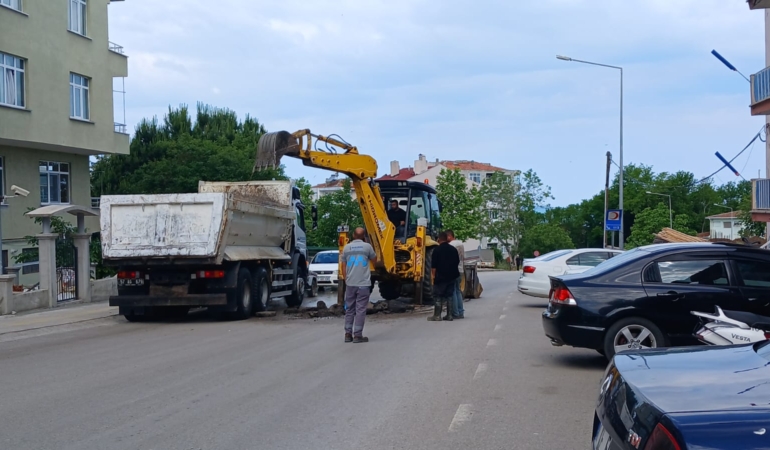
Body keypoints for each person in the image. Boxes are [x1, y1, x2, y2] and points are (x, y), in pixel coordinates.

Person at [341, 227, 377, 343]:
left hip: (350, 283)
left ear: (353, 235)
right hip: (363, 284)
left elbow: (343, 265)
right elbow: (375, 261)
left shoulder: (346, 247)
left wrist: (347, 279)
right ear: (364, 236)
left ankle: (347, 334)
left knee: (349, 309)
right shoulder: (367, 247)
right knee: (360, 309)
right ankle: (357, 335)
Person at [428, 232, 460, 322]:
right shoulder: (453, 249)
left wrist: (433, 276)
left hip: (441, 277)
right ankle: (449, 316)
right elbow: (457, 261)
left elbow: (433, 266)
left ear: (439, 239)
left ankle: (437, 316)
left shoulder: (437, 250)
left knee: (438, 296)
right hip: (452, 276)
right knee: (449, 296)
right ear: (446, 239)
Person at [445, 229, 465, 319]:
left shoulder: (450, 245)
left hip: (453, 271)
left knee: (452, 291)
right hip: (460, 270)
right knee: (458, 291)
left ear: (449, 236)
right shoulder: (461, 244)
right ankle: (461, 312)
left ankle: (455, 313)